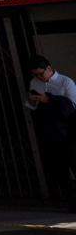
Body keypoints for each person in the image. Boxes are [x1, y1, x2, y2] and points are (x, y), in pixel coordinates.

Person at [23, 54, 76, 210]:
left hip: (69, 129)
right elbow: (34, 107)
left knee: (74, 162)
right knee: (61, 170)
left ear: (48, 68)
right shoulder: (34, 83)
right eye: (35, 74)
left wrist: (50, 100)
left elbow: (73, 106)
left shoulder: (65, 82)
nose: (39, 77)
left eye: (41, 73)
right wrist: (32, 101)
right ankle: (73, 202)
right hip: (51, 131)